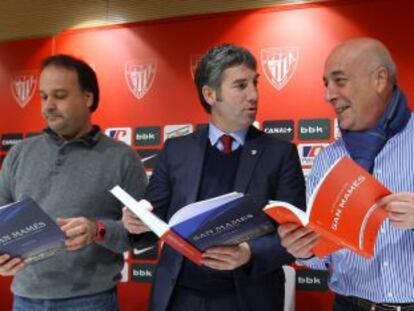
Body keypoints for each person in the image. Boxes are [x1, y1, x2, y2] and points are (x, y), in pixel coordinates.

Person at [122, 43, 305, 311]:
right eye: (241, 86)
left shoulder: (280, 154)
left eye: (255, 83)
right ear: (210, 94)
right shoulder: (176, 151)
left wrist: (248, 253)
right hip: (179, 297)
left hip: (248, 298)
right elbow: (155, 219)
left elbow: (296, 236)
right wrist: (138, 221)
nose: (253, 95)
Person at [0, 54, 148, 310]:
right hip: (25, 300)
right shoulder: (19, 154)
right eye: (44, 97)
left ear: (87, 98)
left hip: (91, 301)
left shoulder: (122, 158)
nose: (48, 106)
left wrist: (98, 229)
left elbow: (142, 234)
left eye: (59, 96)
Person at [278, 37, 414, 311]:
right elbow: (318, 258)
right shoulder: (327, 159)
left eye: (340, 81)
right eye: (326, 84)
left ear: (379, 79)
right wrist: (303, 249)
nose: (328, 94)